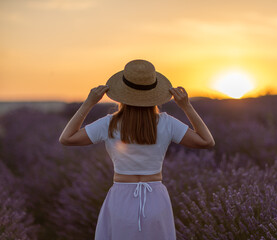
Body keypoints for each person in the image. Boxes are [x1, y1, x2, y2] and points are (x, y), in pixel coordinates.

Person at [59, 59, 215, 240]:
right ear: (154, 93)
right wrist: (186, 106)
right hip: (156, 198)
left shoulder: (109, 123)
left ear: (122, 94)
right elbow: (207, 141)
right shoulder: (166, 122)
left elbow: (67, 138)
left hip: (121, 198)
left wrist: (89, 102)